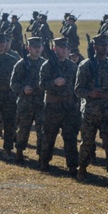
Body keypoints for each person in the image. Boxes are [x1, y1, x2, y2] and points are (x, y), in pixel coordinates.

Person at [74, 36, 108, 185]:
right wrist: (90, 93)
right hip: (90, 108)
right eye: (101, 45)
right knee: (87, 141)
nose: (104, 47)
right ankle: (82, 169)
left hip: (107, 108)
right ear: (94, 47)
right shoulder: (85, 65)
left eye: (106, 45)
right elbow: (77, 89)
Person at [38, 38, 80, 172]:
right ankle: (44, 161)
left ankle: (73, 165)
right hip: (52, 106)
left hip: (69, 107)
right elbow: (41, 85)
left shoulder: (72, 66)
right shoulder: (47, 65)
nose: (63, 50)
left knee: (70, 137)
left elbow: (76, 86)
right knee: (49, 136)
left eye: (65, 48)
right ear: (55, 49)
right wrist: (54, 83)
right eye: (60, 47)